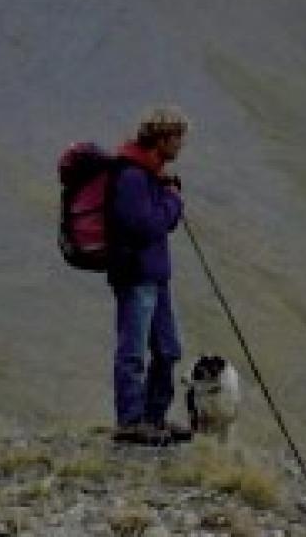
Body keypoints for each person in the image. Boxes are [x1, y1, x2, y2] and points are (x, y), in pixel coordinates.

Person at [108, 106, 192, 446]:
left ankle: (154, 418)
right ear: (162, 138)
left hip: (155, 275)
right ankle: (130, 421)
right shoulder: (132, 176)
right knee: (133, 350)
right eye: (177, 138)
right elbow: (148, 224)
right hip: (136, 275)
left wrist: (167, 197)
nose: (180, 146)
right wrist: (173, 202)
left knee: (168, 349)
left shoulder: (149, 174)